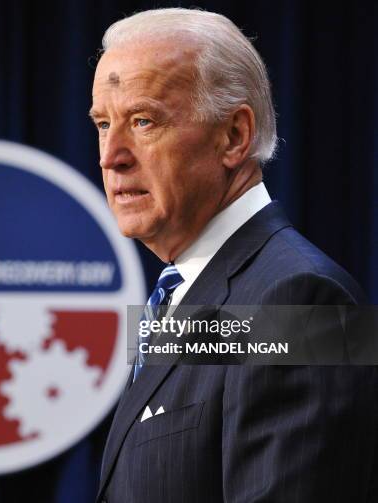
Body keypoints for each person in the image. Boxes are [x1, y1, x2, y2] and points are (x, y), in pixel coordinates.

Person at [90, 8, 378, 503]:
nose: (111, 155)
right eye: (102, 124)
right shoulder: (187, 294)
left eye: (143, 121)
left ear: (233, 137)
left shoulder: (300, 302)